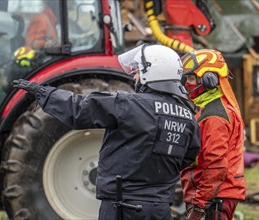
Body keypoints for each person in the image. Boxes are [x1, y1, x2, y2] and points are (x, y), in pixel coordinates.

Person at [13, 44, 200, 220]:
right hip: (160, 209)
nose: (135, 77)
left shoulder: (129, 105)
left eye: (138, 72)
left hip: (123, 207)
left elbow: (78, 109)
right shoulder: (188, 117)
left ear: (151, 73)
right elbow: (187, 157)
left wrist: (44, 93)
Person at [180, 49, 246, 220]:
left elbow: (215, 164)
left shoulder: (214, 116)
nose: (187, 83)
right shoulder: (211, 109)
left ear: (210, 79)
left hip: (214, 198)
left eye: (192, 78)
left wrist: (200, 204)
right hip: (213, 195)